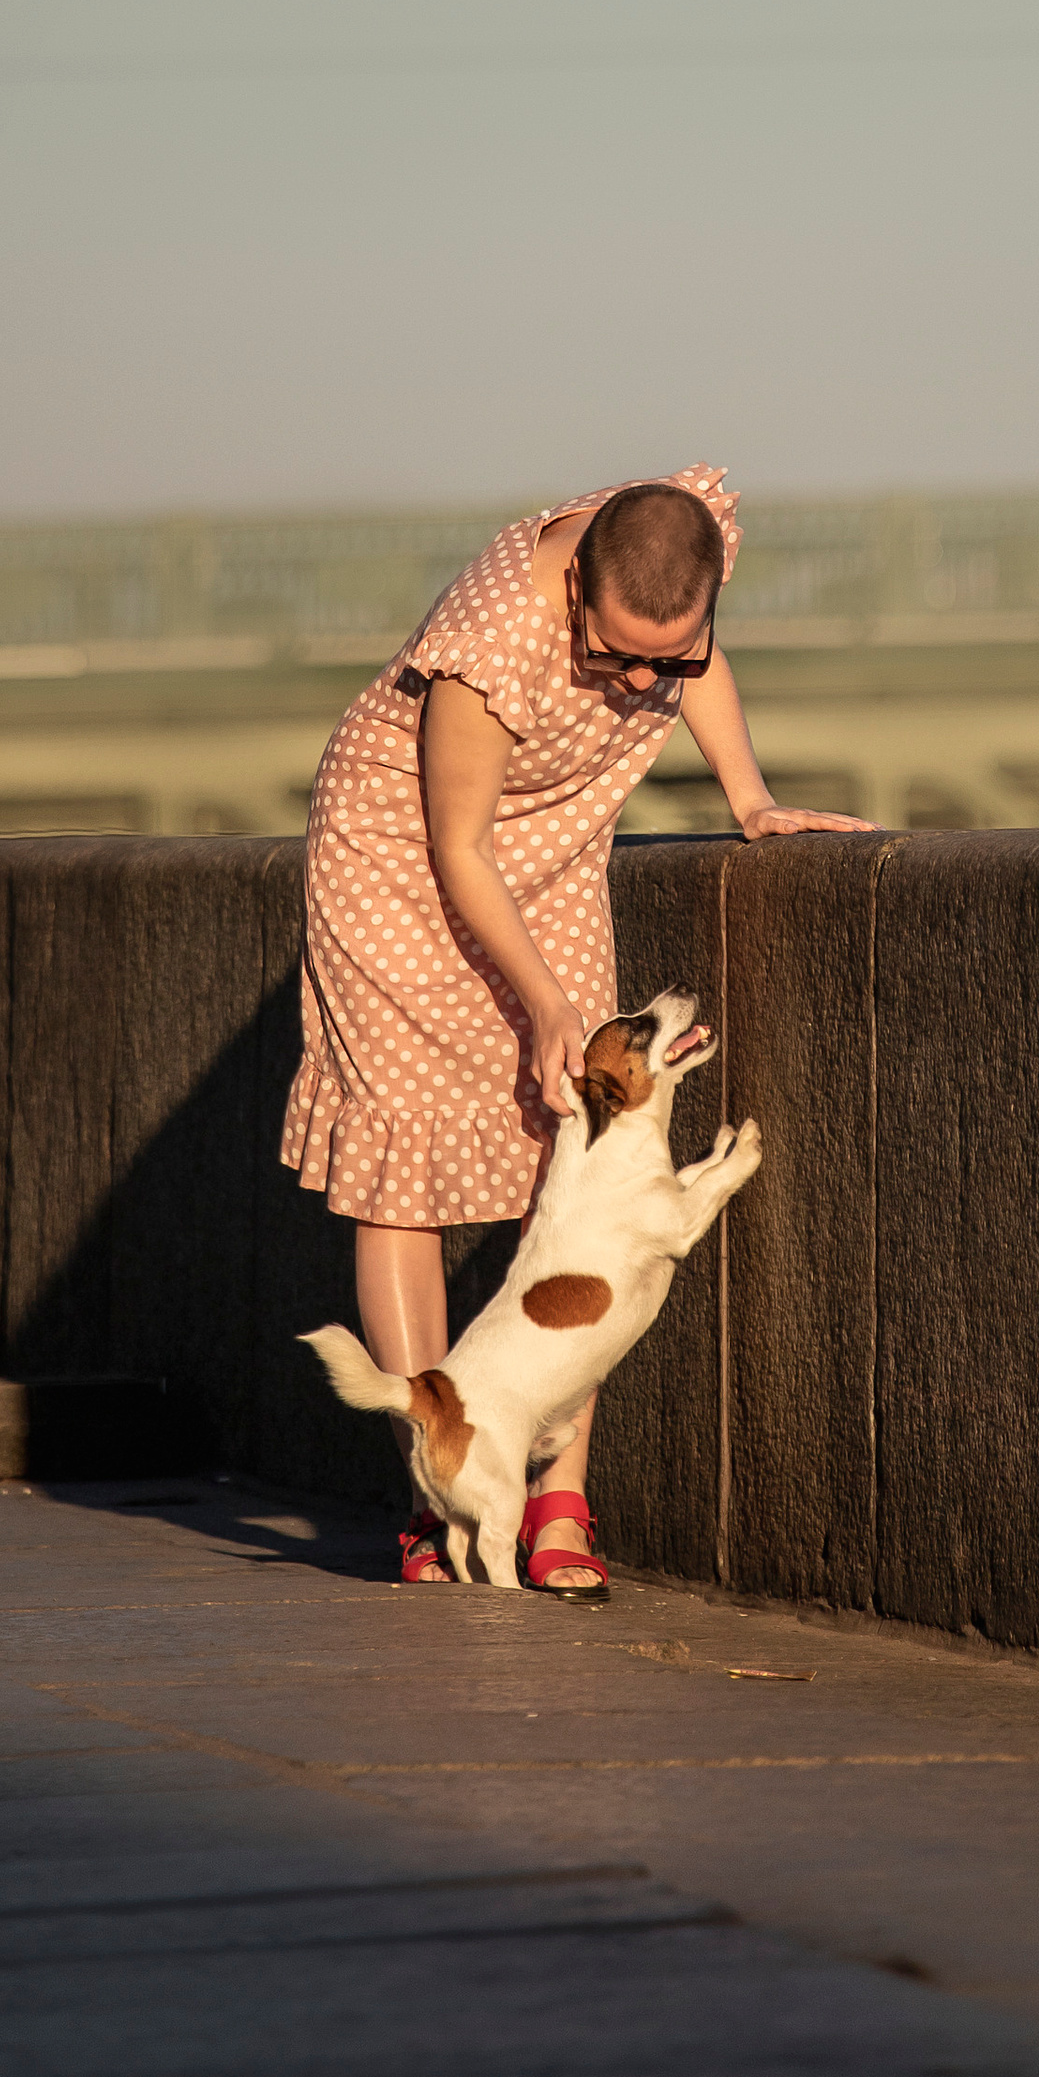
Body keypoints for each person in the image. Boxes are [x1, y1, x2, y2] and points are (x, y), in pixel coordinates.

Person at [281, 460, 865, 1591]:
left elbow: (696, 669)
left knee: (576, 1157)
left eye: (670, 655)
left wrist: (748, 797)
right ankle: (432, 1497)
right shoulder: (493, 632)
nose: (642, 678)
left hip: (548, 854)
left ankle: (557, 1501)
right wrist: (547, 998)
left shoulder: (675, 547)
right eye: (615, 656)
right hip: (400, 856)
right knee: (403, 1171)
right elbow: (458, 846)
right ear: (573, 594)